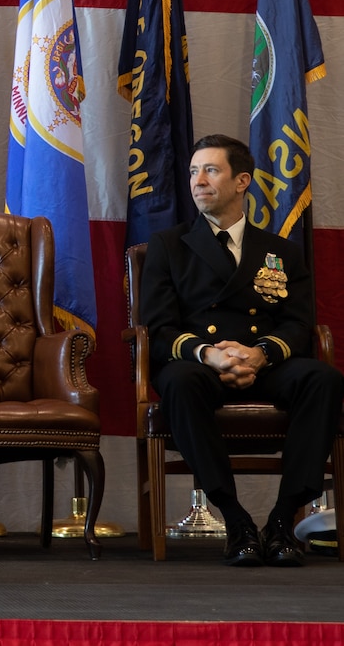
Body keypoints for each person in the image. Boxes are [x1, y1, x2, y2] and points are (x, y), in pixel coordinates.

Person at [142, 133, 344, 567]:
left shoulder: (281, 251)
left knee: (323, 378)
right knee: (177, 380)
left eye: (211, 170)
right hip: (199, 363)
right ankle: (236, 521)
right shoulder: (168, 246)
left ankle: (281, 521)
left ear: (242, 181)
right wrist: (211, 354)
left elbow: (298, 323)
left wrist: (259, 354)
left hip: (261, 362)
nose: (199, 181)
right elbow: (158, 328)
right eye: (194, 171)